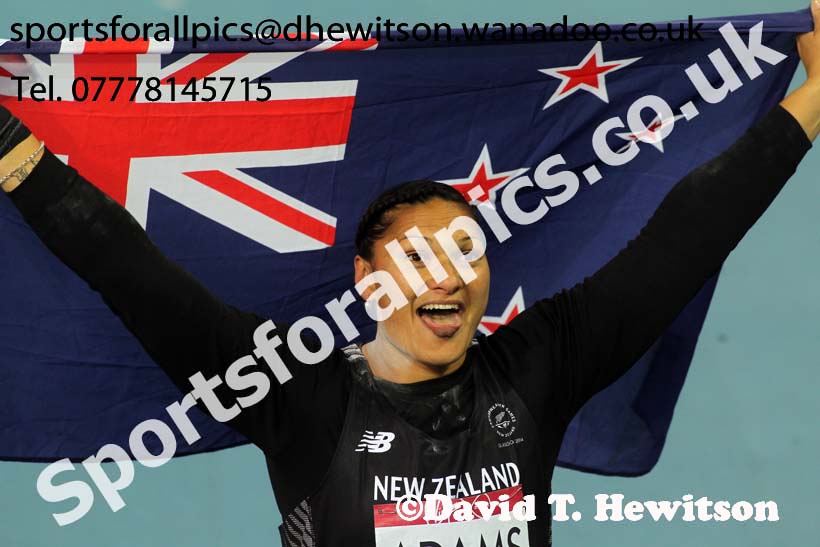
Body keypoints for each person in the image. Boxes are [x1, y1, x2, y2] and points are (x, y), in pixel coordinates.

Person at [2, 6, 820, 546]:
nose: (452, 277)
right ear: (368, 280)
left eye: (469, 253)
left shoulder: (541, 363)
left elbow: (686, 235)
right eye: (423, 255)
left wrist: (816, 96)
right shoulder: (293, 393)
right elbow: (121, 260)